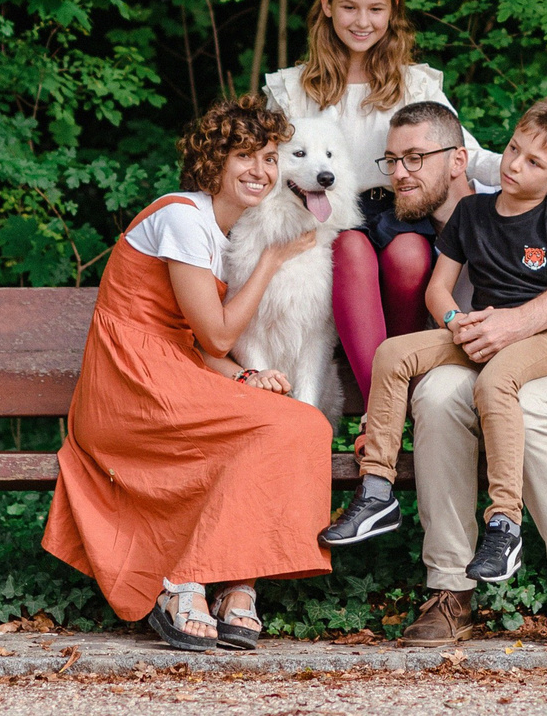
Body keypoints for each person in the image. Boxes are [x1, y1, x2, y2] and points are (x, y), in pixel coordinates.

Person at [338, 98, 547, 647]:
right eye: (391, 162)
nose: (399, 175)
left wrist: (520, 322)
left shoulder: (536, 200)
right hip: (491, 364)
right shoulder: (450, 232)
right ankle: (450, 590)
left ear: (457, 160)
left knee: (528, 405)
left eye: (415, 160)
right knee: (435, 393)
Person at [41, 96, 333, 652]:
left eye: (270, 158)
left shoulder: (226, 232)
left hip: (168, 375)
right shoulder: (182, 216)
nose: (261, 171)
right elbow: (218, 335)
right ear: (212, 163)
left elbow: (194, 344)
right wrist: (273, 261)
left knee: (299, 424)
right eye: (243, 156)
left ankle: (237, 583)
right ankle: (183, 580)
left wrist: (243, 378)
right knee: (286, 429)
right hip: (127, 390)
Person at [319, 116, 547, 581]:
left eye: (533, 162)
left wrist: (517, 326)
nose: (514, 165)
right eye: (512, 150)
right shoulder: (473, 214)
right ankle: (377, 491)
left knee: (496, 383)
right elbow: (438, 289)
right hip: (479, 331)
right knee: (394, 353)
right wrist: (454, 320)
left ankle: (505, 523)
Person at [261, 0, 480, 401]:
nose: (362, 21)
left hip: (397, 210)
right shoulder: (293, 88)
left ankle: (406, 386)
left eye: (375, 9)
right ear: (326, 5)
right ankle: (381, 407)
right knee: (352, 252)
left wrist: (529, 176)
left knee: (410, 256)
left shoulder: (413, 83)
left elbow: (465, 151)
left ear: (393, 10)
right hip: (327, 215)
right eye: (349, 7)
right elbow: (265, 159)